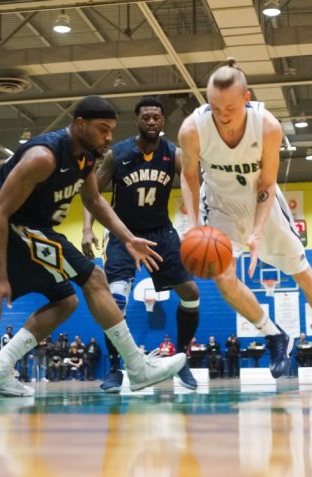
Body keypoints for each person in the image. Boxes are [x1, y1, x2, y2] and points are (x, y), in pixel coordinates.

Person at [0, 95, 186, 397]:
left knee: (66, 302)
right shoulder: (44, 157)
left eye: (112, 130)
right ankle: (136, 367)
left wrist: (128, 238)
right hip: (10, 225)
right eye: (102, 129)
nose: (109, 137)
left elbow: (94, 200)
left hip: (32, 227)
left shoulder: (85, 158)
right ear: (80, 124)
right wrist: (1, 277)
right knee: (95, 278)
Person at [178, 59, 312, 391]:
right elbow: (189, 177)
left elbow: (266, 184)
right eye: (214, 106)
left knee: (303, 273)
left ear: (247, 98)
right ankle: (274, 334)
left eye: (230, 107)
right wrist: (194, 226)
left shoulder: (267, 126)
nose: (222, 114)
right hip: (219, 206)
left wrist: (258, 232)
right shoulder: (192, 129)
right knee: (223, 278)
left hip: (262, 204)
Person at [82, 96, 201, 392]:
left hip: (161, 233)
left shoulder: (172, 153)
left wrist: (197, 223)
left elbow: (191, 181)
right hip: (124, 235)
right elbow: (92, 194)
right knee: (116, 301)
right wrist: (87, 229)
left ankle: (181, 359)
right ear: (137, 120)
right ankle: (114, 369)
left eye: (156, 118)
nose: (151, 122)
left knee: (191, 292)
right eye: (146, 117)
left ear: (163, 121)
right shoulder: (117, 154)